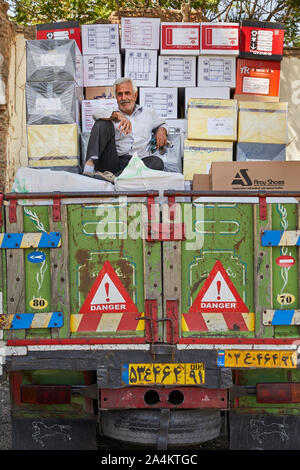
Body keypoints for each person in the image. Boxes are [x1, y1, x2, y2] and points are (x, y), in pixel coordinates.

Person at [83, 77, 168, 181]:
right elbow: (96, 114)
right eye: (120, 94)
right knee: (102, 123)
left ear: (135, 95)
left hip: (138, 164)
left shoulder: (149, 113)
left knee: (157, 162)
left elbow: (163, 124)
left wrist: (162, 130)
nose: (123, 98)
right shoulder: (112, 113)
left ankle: (114, 179)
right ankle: (89, 170)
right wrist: (117, 116)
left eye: (127, 93)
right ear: (116, 97)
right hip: (113, 163)